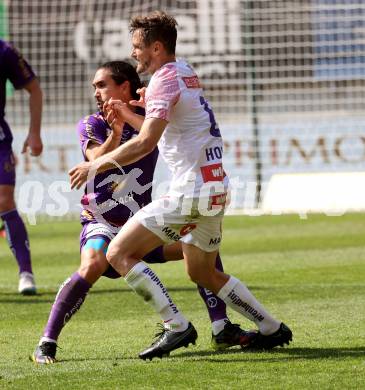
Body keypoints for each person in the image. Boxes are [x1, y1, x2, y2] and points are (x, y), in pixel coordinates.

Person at [69, 11, 292, 361]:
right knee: (200, 270)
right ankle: (270, 327)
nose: (134, 55)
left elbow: (145, 143)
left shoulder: (163, 80)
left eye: (137, 48)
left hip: (190, 190)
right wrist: (141, 108)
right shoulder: (184, 71)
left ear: (156, 47)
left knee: (119, 253)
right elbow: (177, 118)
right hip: (215, 187)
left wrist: (95, 163)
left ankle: (176, 326)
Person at [31, 61, 256, 364]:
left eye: (102, 85)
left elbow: (164, 137)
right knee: (93, 263)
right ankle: (47, 342)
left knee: (197, 243)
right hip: (102, 221)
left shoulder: (151, 120)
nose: (95, 92)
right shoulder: (91, 123)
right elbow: (96, 157)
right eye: (94, 87)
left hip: (141, 225)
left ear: (124, 87)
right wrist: (117, 131)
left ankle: (221, 326)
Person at [0, 39, 43, 295]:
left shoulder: (5, 52)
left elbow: (34, 89)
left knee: (4, 200)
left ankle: (25, 273)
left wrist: (34, 133)